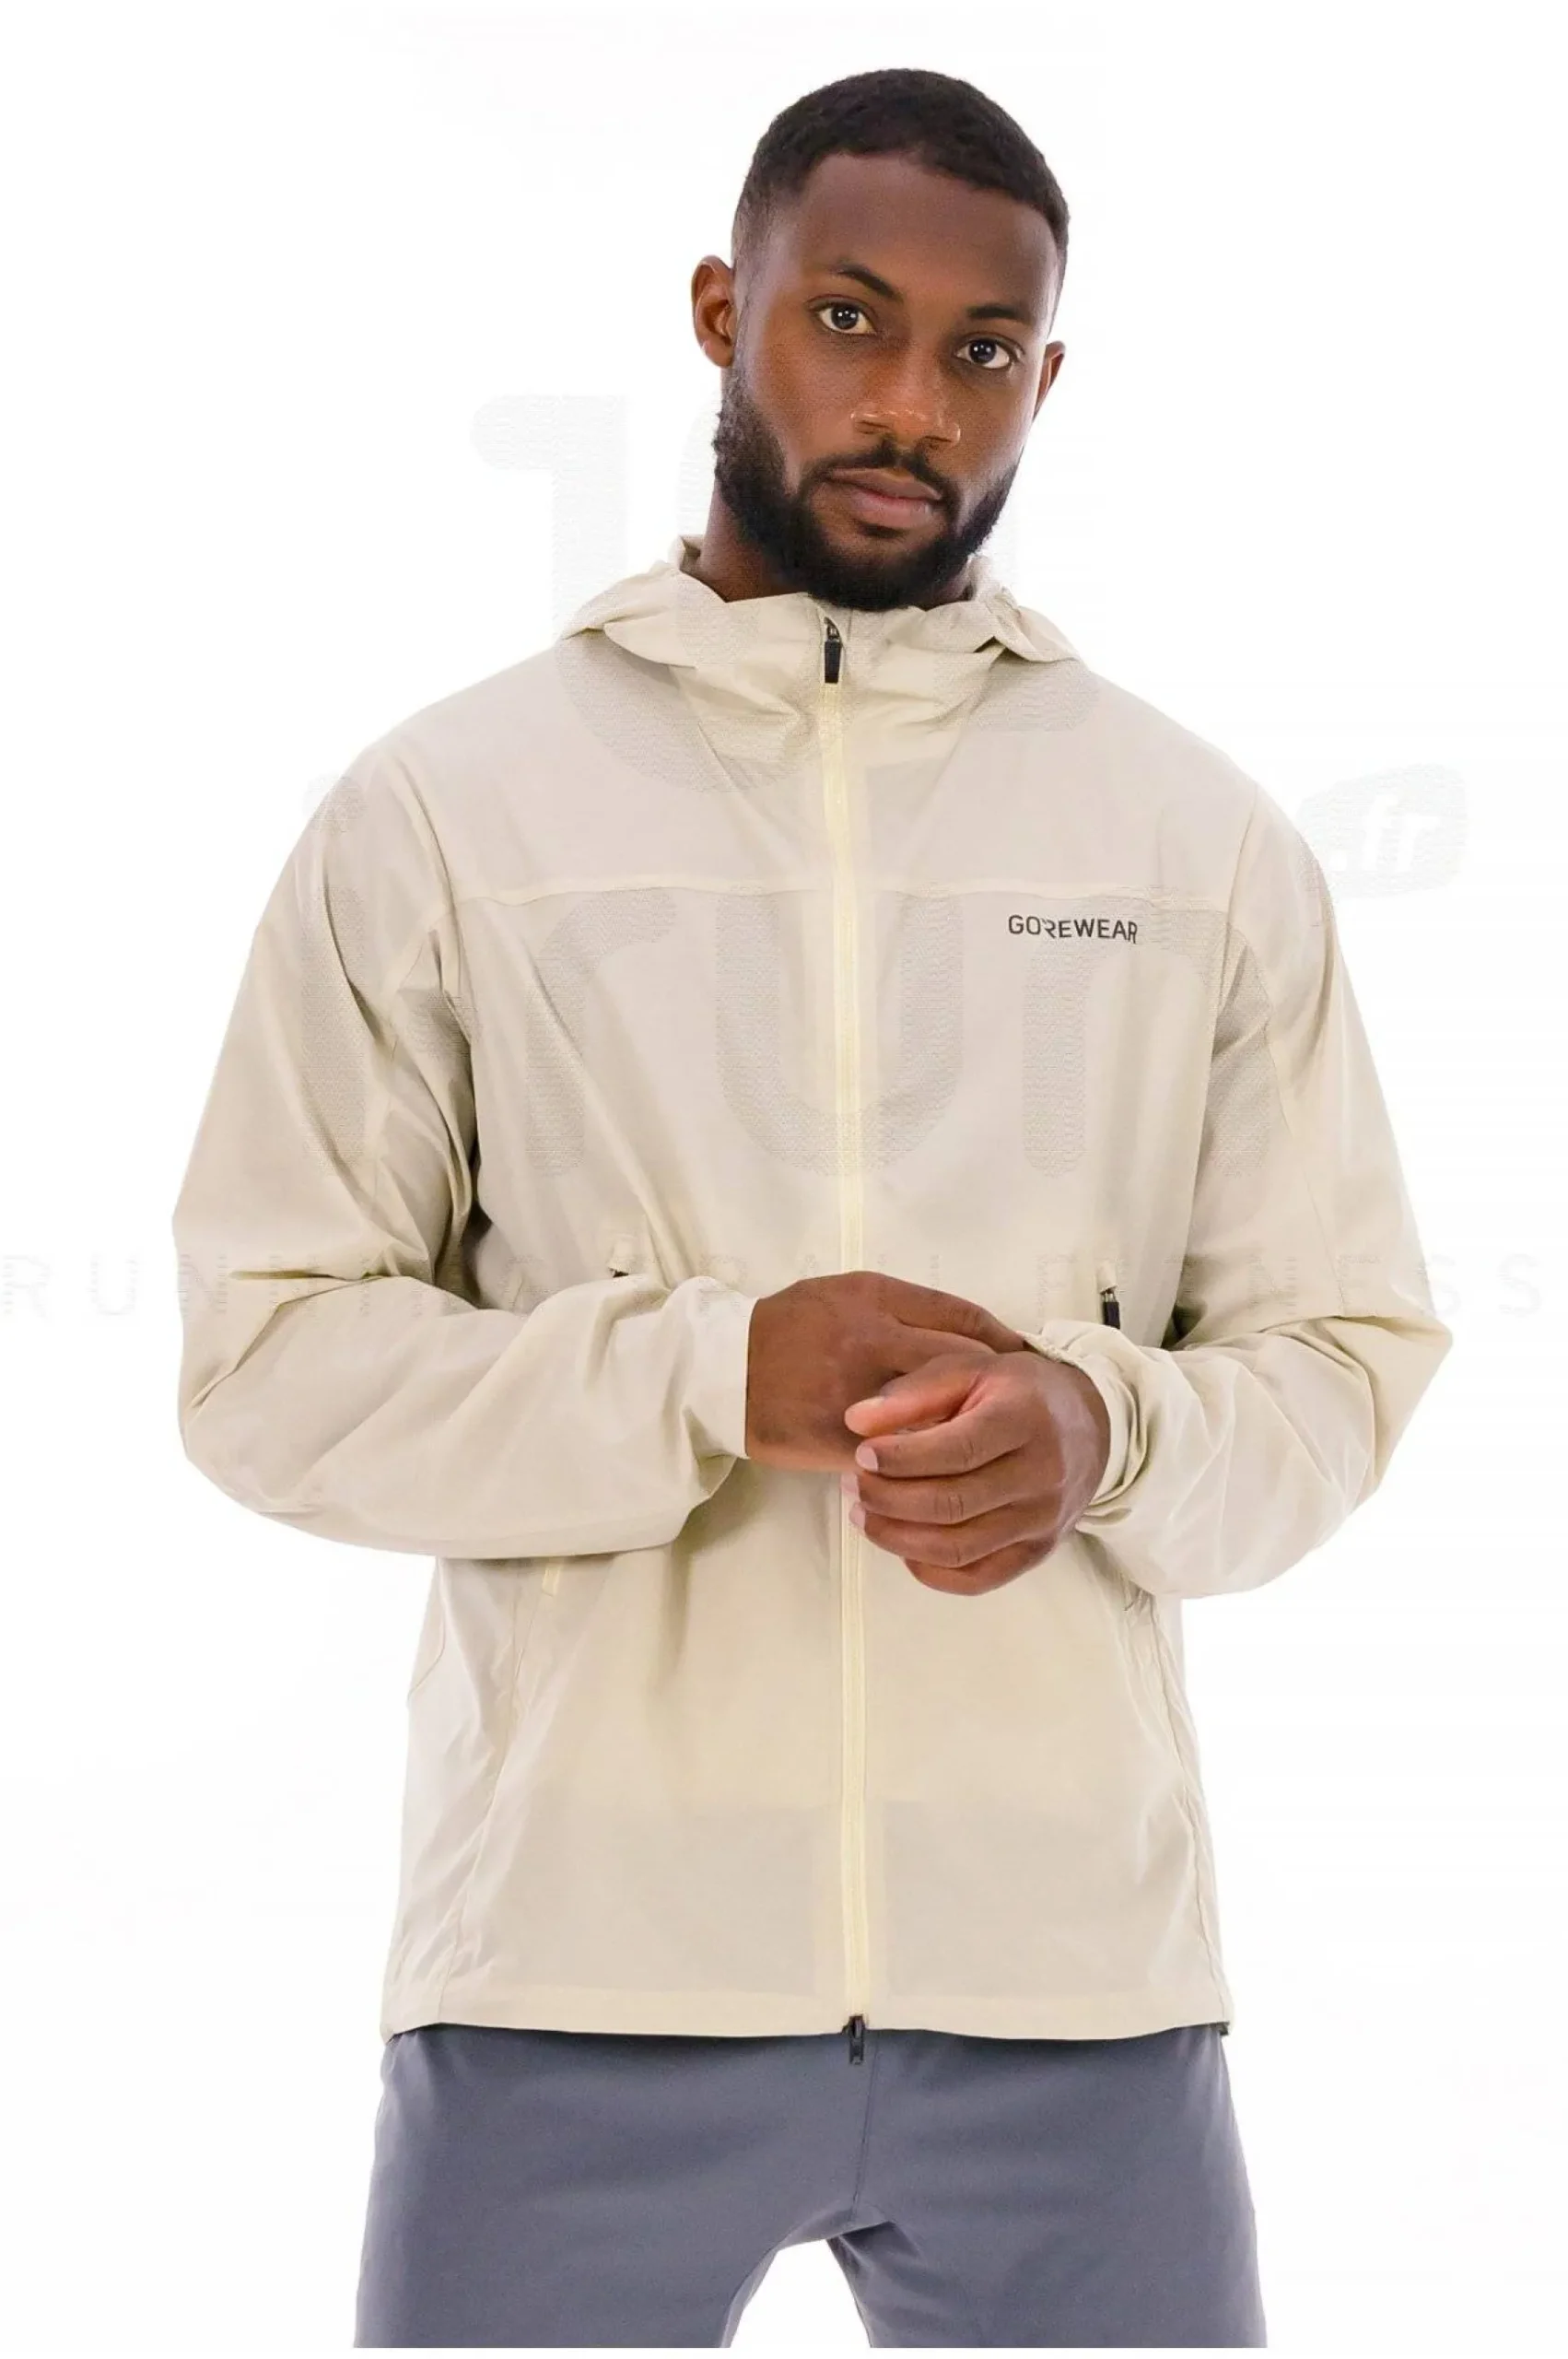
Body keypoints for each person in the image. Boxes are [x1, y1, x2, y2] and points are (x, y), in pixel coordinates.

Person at [170, 65, 1453, 2349]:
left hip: (1069, 1983)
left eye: (981, 349)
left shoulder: (1193, 838)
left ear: (1044, 378)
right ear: (719, 309)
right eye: (846, 317)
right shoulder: (447, 810)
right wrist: (702, 1373)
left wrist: (1103, 1427)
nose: (909, 403)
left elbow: (1343, 1358)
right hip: (574, 1969)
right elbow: (264, 1362)